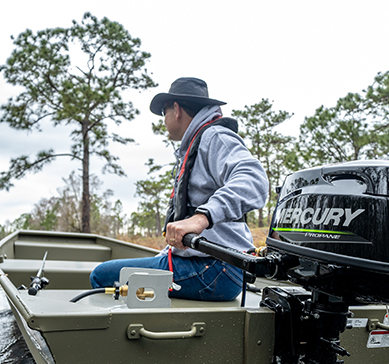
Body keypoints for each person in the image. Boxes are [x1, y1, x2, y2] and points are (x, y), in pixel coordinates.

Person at [90, 77, 269, 301]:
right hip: (210, 265)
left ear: (176, 109)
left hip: (214, 268)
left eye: (164, 111)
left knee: (101, 276)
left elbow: (254, 180)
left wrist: (200, 218)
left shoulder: (215, 138)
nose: (163, 119)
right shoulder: (197, 143)